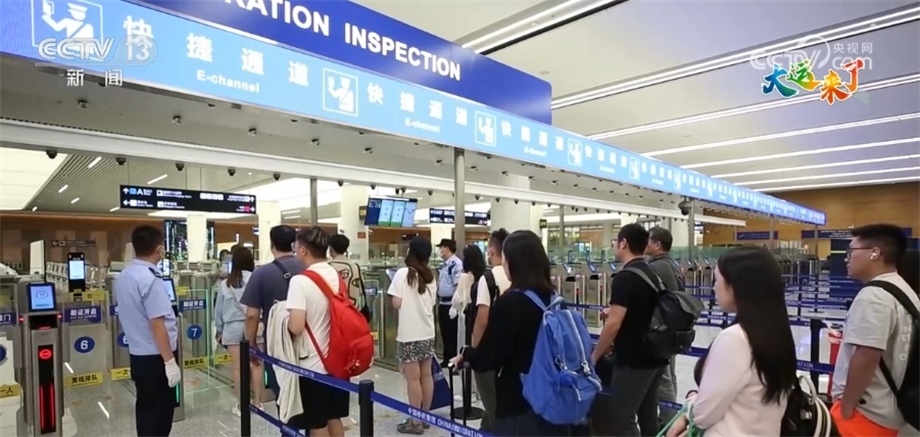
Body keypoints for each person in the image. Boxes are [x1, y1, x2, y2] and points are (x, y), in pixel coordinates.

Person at [451, 230, 583, 436]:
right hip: (554, 396)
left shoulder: (511, 302)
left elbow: (489, 357)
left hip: (520, 401)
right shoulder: (554, 298)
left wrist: (467, 355)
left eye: (505, 258)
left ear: (514, 262)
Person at [666, 246, 798, 436]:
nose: (714, 286)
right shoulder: (775, 333)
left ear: (737, 286)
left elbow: (704, 414)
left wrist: (691, 403)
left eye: (717, 280)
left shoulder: (735, 339)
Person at [831, 224, 920, 436]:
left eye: (851, 251)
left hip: (865, 413)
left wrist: (847, 406)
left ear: (874, 253)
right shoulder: (903, 289)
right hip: (889, 409)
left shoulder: (873, 297)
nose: (846, 259)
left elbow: (867, 355)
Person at [590, 223, 669, 436]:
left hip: (634, 359)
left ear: (623, 243)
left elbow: (614, 325)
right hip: (656, 355)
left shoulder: (625, 277)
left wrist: (595, 355)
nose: (615, 245)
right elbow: (642, 308)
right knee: (647, 414)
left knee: (621, 418)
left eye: (616, 241)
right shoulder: (651, 273)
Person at [283, 227, 351, 436]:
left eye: (296, 247)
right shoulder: (335, 275)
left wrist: (282, 321)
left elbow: (296, 326)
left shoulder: (300, 281)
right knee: (334, 416)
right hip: (339, 361)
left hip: (313, 364)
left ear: (303, 250)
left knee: (317, 423)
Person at [114, 225, 179, 437]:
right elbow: (157, 324)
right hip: (157, 357)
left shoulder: (124, 276)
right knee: (160, 415)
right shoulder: (151, 279)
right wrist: (170, 362)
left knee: (145, 409)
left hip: (138, 355)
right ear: (159, 249)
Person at [240, 225, 303, 402]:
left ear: (272, 245)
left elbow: (252, 315)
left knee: (283, 395)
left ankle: (287, 420)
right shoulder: (308, 268)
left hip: (277, 345)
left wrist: (251, 344)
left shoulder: (262, 273)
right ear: (294, 244)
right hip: (309, 342)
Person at [388, 236, 437, 435]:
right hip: (427, 332)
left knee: (413, 379)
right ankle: (425, 417)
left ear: (411, 252)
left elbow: (396, 303)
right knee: (427, 374)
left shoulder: (403, 274)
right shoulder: (431, 276)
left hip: (409, 333)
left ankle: (414, 421)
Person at [215, 247, 264, 416]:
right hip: (255, 325)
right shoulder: (257, 280)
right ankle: (258, 404)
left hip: (232, 327)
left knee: (237, 368)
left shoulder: (226, 283)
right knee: (256, 365)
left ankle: (242, 406)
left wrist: (219, 330)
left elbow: (219, 309)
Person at [470, 228, 511, 432]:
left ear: (491, 251)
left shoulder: (488, 278)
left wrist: (473, 350)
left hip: (488, 350)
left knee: (491, 401)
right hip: (510, 349)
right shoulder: (518, 275)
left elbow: (482, 319)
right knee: (499, 399)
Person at [645, 226, 685, 425]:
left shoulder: (657, 267)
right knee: (670, 374)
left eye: (648, 240)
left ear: (657, 245)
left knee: (663, 380)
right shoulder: (673, 264)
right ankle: (672, 414)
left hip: (662, 330)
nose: (645, 244)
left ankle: (668, 422)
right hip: (675, 328)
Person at [451, 244, 486, 346]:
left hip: (465, 315)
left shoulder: (464, 277)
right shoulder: (484, 276)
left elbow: (457, 300)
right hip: (478, 313)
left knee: (464, 343)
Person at [435, 238, 462, 366]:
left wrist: (455, 305)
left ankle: (453, 359)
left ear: (446, 249)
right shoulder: (445, 264)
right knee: (445, 333)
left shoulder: (455, 264)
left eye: (441, 248)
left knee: (452, 334)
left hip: (451, 304)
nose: (440, 250)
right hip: (442, 304)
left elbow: (457, 285)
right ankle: (447, 358)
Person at [327, 234, 368, 312]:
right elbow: (360, 290)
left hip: (334, 313)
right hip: (354, 312)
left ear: (331, 249)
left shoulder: (327, 267)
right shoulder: (355, 267)